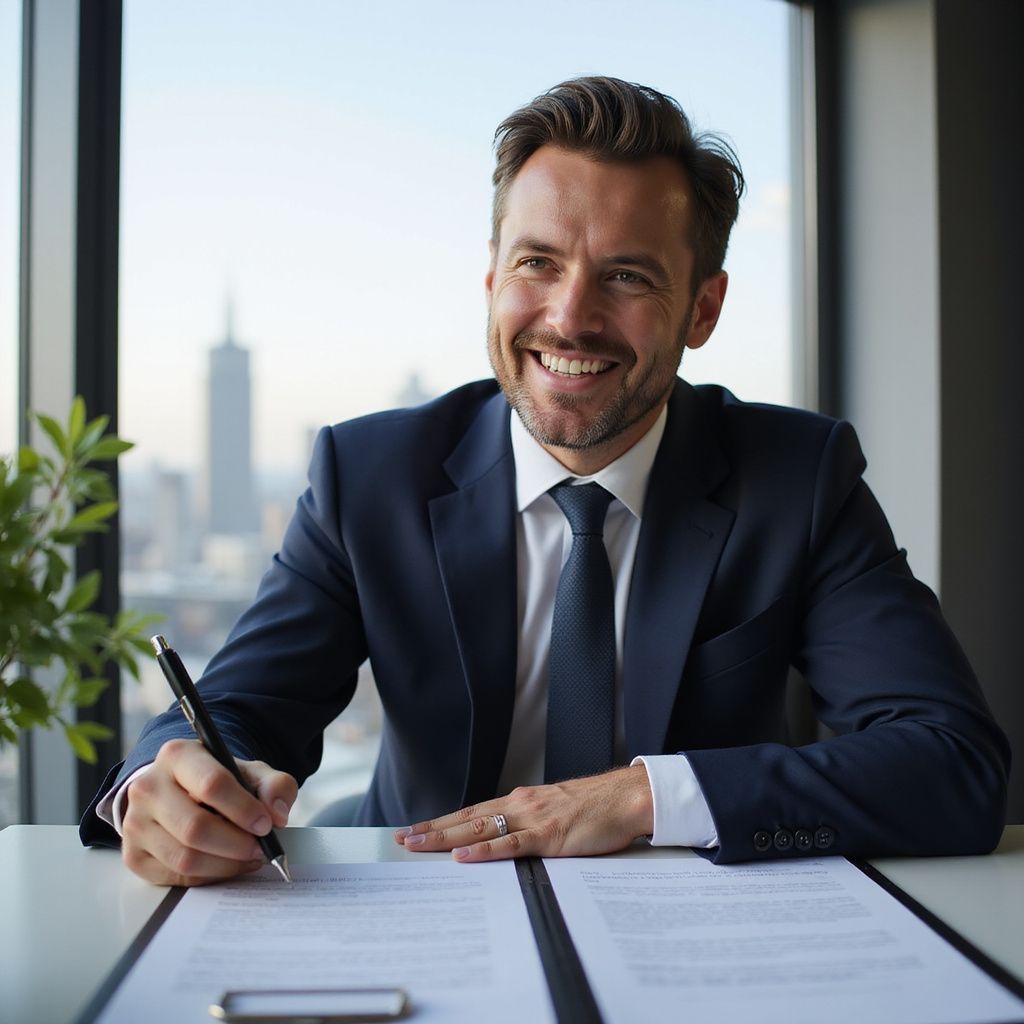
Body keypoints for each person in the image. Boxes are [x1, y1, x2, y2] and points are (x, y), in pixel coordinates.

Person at [81, 76, 1009, 887]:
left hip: (693, 935)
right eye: (538, 263)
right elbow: (239, 709)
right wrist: (170, 783)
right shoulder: (367, 476)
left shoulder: (798, 480)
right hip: (414, 908)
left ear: (704, 310)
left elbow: (951, 765)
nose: (571, 318)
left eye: (629, 276)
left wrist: (645, 798)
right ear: (492, 280)